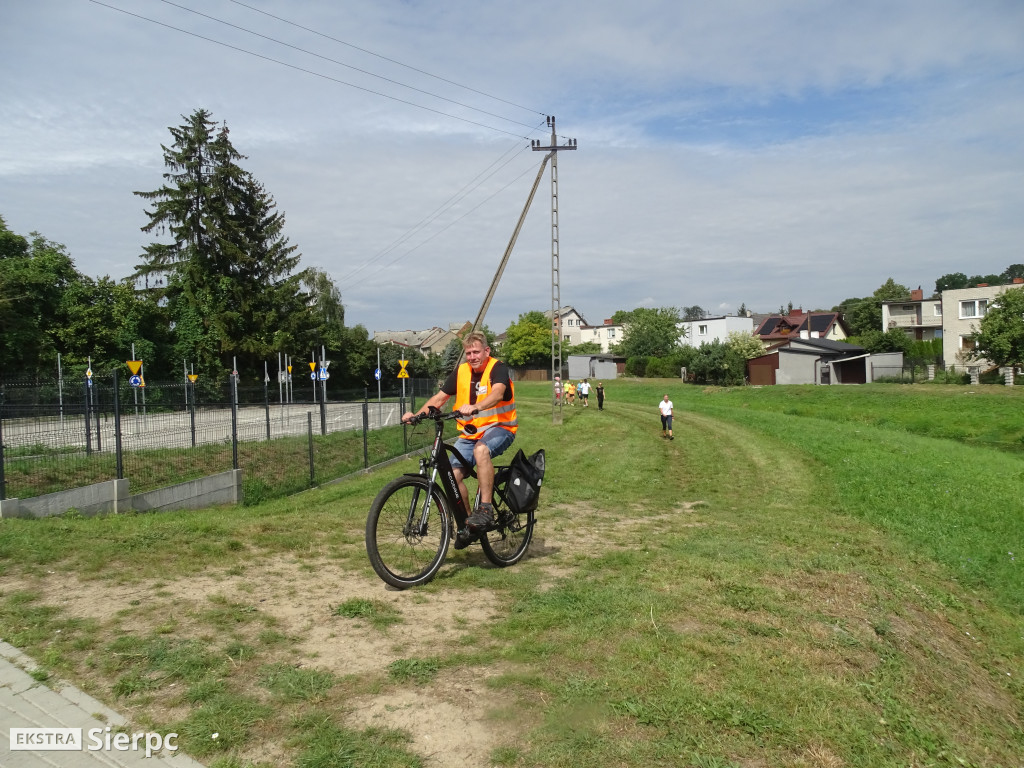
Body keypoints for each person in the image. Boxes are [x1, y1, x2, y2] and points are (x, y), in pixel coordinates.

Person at [403, 332, 517, 532]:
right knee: (452, 477)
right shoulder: (461, 371)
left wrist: (477, 406)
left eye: (476, 352)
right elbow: (439, 399)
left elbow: (498, 393)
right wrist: (416, 416)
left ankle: (486, 509)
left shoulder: (497, 368)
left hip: (501, 428)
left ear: (486, 351)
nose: (472, 357)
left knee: (481, 451)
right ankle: (468, 525)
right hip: (470, 435)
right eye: (469, 353)